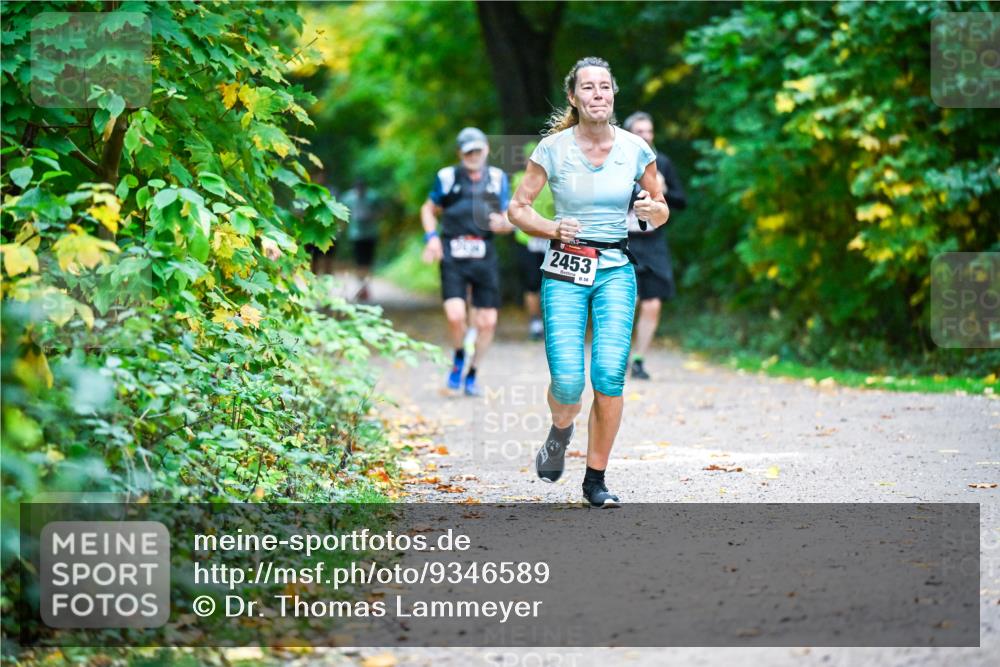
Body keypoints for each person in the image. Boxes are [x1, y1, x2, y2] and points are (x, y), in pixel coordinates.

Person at [508, 57, 670, 508]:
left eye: (604, 86)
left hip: (616, 269)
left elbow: (661, 207)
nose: (597, 94)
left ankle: (595, 480)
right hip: (565, 269)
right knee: (567, 381)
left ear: (613, 94)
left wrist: (651, 211)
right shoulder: (552, 149)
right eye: (588, 87)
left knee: (609, 376)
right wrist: (551, 228)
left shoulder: (636, 149)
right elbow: (518, 208)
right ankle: (560, 431)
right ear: (574, 97)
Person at [421, 127, 514, 396]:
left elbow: (509, 218)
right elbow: (428, 209)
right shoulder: (447, 177)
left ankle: (472, 373)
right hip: (453, 252)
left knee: (488, 322)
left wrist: (503, 224)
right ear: (460, 154)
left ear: (486, 149)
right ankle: (459, 355)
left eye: (478, 150)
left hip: (484, 254)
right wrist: (432, 238)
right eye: (468, 152)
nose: (474, 155)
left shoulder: (497, 178)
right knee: (455, 315)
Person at [622, 111, 688, 379]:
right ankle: (619, 356)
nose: (646, 136)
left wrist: (664, 191)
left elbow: (681, 201)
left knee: (653, 304)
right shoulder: (617, 163)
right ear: (629, 135)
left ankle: (638, 360)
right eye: (640, 132)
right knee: (628, 301)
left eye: (649, 131)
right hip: (624, 241)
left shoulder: (662, 163)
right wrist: (641, 192)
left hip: (654, 242)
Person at [510, 142, 556, 341]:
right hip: (527, 238)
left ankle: (549, 322)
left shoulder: (556, 178)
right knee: (532, 282)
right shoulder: (519, 179)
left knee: (552, 281)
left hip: (551, 237)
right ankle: (535, 322)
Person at [340, 177, 380, 302]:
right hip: (356, 235)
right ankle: (362, 287)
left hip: (370, 234)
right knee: (359, 262)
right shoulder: (348, 197)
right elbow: (341, 212)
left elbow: (382, 210)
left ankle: (365, 287)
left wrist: (373, 216)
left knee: (368, 262)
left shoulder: (373, 197)